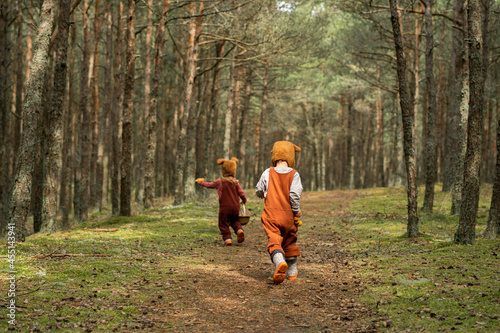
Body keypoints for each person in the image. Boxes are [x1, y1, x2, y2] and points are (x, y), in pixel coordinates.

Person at [256, 141, 303, 284]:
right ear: (291, 157)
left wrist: (263, 194)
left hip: (271, 215)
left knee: (274, 239)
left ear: (274, 156)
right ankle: (292, 271)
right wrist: (296, 210)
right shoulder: (294, 174)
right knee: (290, 240)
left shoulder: (267, 172)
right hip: (288, 216)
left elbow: (259, 189)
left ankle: (279, 261)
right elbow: (294, 194)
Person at [196, 157, 247, 246]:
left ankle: (227, 239)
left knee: (223, 223)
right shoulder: (235, 182)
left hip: (225, 208)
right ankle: (240, 231)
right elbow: (241, 193)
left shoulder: (220, 181)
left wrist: (201, 182)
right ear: (234, 170)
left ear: (223, 170)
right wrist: (244, 200)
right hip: (235, 207)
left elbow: (209, 185)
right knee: (235, 221)